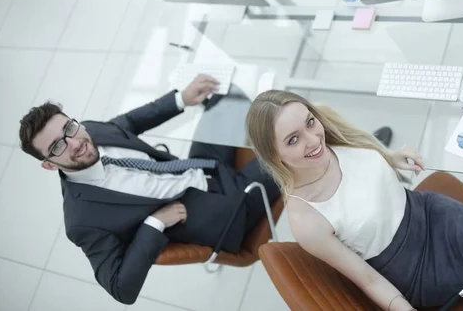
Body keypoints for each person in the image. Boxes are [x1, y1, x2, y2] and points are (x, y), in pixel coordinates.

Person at [245, 90, 463, 311]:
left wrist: (391, 156)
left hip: (427, 213)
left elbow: (363, 157)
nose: (312, 140)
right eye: (293, 140)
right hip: (411, 269)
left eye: (309, 122)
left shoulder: (329, 134)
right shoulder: (306, 219)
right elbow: (365, 279)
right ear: (272, 154)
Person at [18, 74, 282, 305]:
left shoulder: (88, 131)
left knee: (226, 95)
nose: (75, 143)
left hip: (197, 167)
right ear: (49, 165)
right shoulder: (82, 221)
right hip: (225, 208)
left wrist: (181, 99)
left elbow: (125, 123)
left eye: (69, 128)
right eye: (57, 147)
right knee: (285, 147)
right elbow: (121, 289)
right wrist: (154, 224)